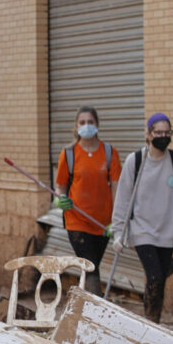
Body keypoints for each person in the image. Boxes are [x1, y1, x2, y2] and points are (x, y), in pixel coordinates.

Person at [111, 113, 173, 324]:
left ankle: (152, 320)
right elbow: (123, 198)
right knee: (155, 276)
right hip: (142, 230)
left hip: (168, 230)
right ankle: (151, 321)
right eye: (158, 132)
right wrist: (119, 232)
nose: (163, 136)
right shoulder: (135, 161)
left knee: (159, 279)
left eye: (166, 132)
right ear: (149, 134)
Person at [53, 105, 122, 295]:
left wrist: (116, 221)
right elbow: (61, 187)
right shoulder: (68, 154)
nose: (87, 126)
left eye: (90, 122)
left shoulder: (109, 153)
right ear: (76, 127)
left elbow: (117, 188)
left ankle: (84, 305)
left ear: (97, 124)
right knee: (90, 266)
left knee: (92, 265)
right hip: (77, 220)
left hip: (102, 223)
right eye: (82, 122)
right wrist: (60, 200)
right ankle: (96, 308)